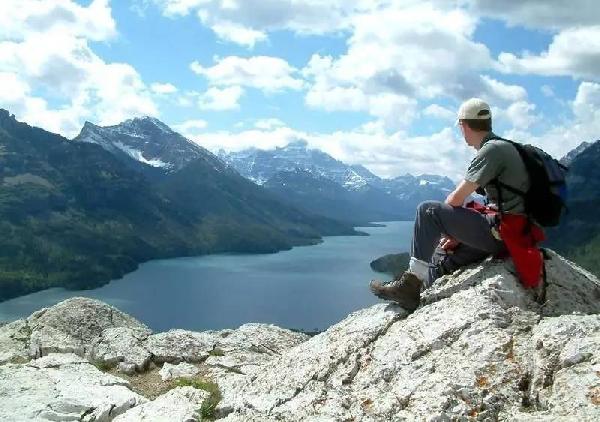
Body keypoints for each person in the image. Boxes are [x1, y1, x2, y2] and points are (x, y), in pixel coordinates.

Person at [370, 98, 533, 312]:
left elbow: (455, 199)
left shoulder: (492, 151)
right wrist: (457, 232)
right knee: (443, 255)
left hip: (503, 233)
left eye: (461, 127)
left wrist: (451, 229)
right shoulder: (508, 148)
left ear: (464, 125)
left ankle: (409, 288)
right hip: (513, 236)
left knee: (427, 210)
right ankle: (417, 291)